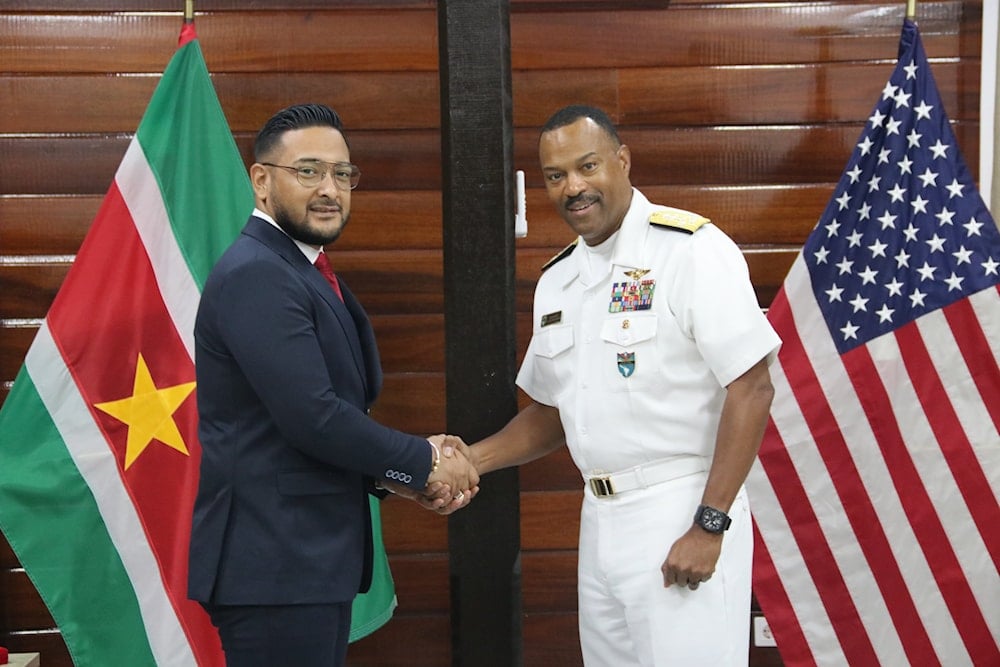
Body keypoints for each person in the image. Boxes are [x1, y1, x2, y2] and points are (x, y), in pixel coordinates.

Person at [466, 105, 781, 665]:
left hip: (682, 507)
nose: (573, 187)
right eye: (555, 176)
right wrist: (471, 460)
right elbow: (550, 414)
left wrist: (710, 525)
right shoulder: (559, 280)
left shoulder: (689, 250)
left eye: (587, 166)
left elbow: (752, 386)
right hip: (600, 519)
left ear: (623, 160)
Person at [188, 103, 477, 666]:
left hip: (301, 565)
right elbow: (314, 418)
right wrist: (423, 460)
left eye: (343, 174)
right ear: (262, 180)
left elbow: (317, 420)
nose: (330, 189)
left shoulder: (301, 268)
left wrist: (401, 476)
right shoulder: (258, 273)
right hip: (275, 566)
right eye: (310, 171)